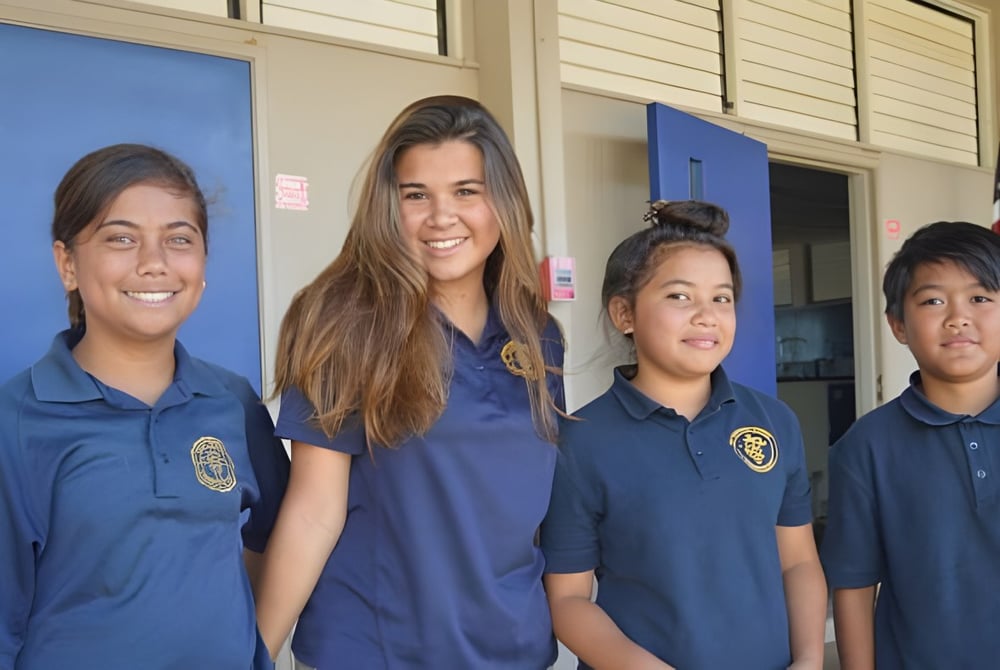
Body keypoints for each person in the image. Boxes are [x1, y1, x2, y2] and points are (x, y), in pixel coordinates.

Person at [254, 95, 565, 669]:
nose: (441, 217)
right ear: (386, 206)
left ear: (505, 202)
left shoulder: (537, 334)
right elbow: (313, 512)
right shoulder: (343, 320)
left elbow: (530, 508)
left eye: (466, 192)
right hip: (375, 652)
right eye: (415, 195)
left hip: (514, 650)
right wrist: (255, 652)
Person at [0, 143, 289, 670]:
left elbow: (275, 537)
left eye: (179, 239)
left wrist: (252, 645)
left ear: (201, 266)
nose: (154, 263)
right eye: (121, 239)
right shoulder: (17, 421)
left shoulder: (232, 401)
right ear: (67, 263)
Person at [540, 200, 827, 670]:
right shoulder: (580, 443)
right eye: (679, 296)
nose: (706, 315)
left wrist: (811, 658)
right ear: (623, 313)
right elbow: (569, 600)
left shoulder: (775, 422)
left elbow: (797, 561)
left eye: (722, 297)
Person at [821, 221, 1000, 669]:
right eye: (934, 300)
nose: (958, 317)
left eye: (980, 298)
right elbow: (854, 586)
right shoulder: (865, 447)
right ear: (898, 324)